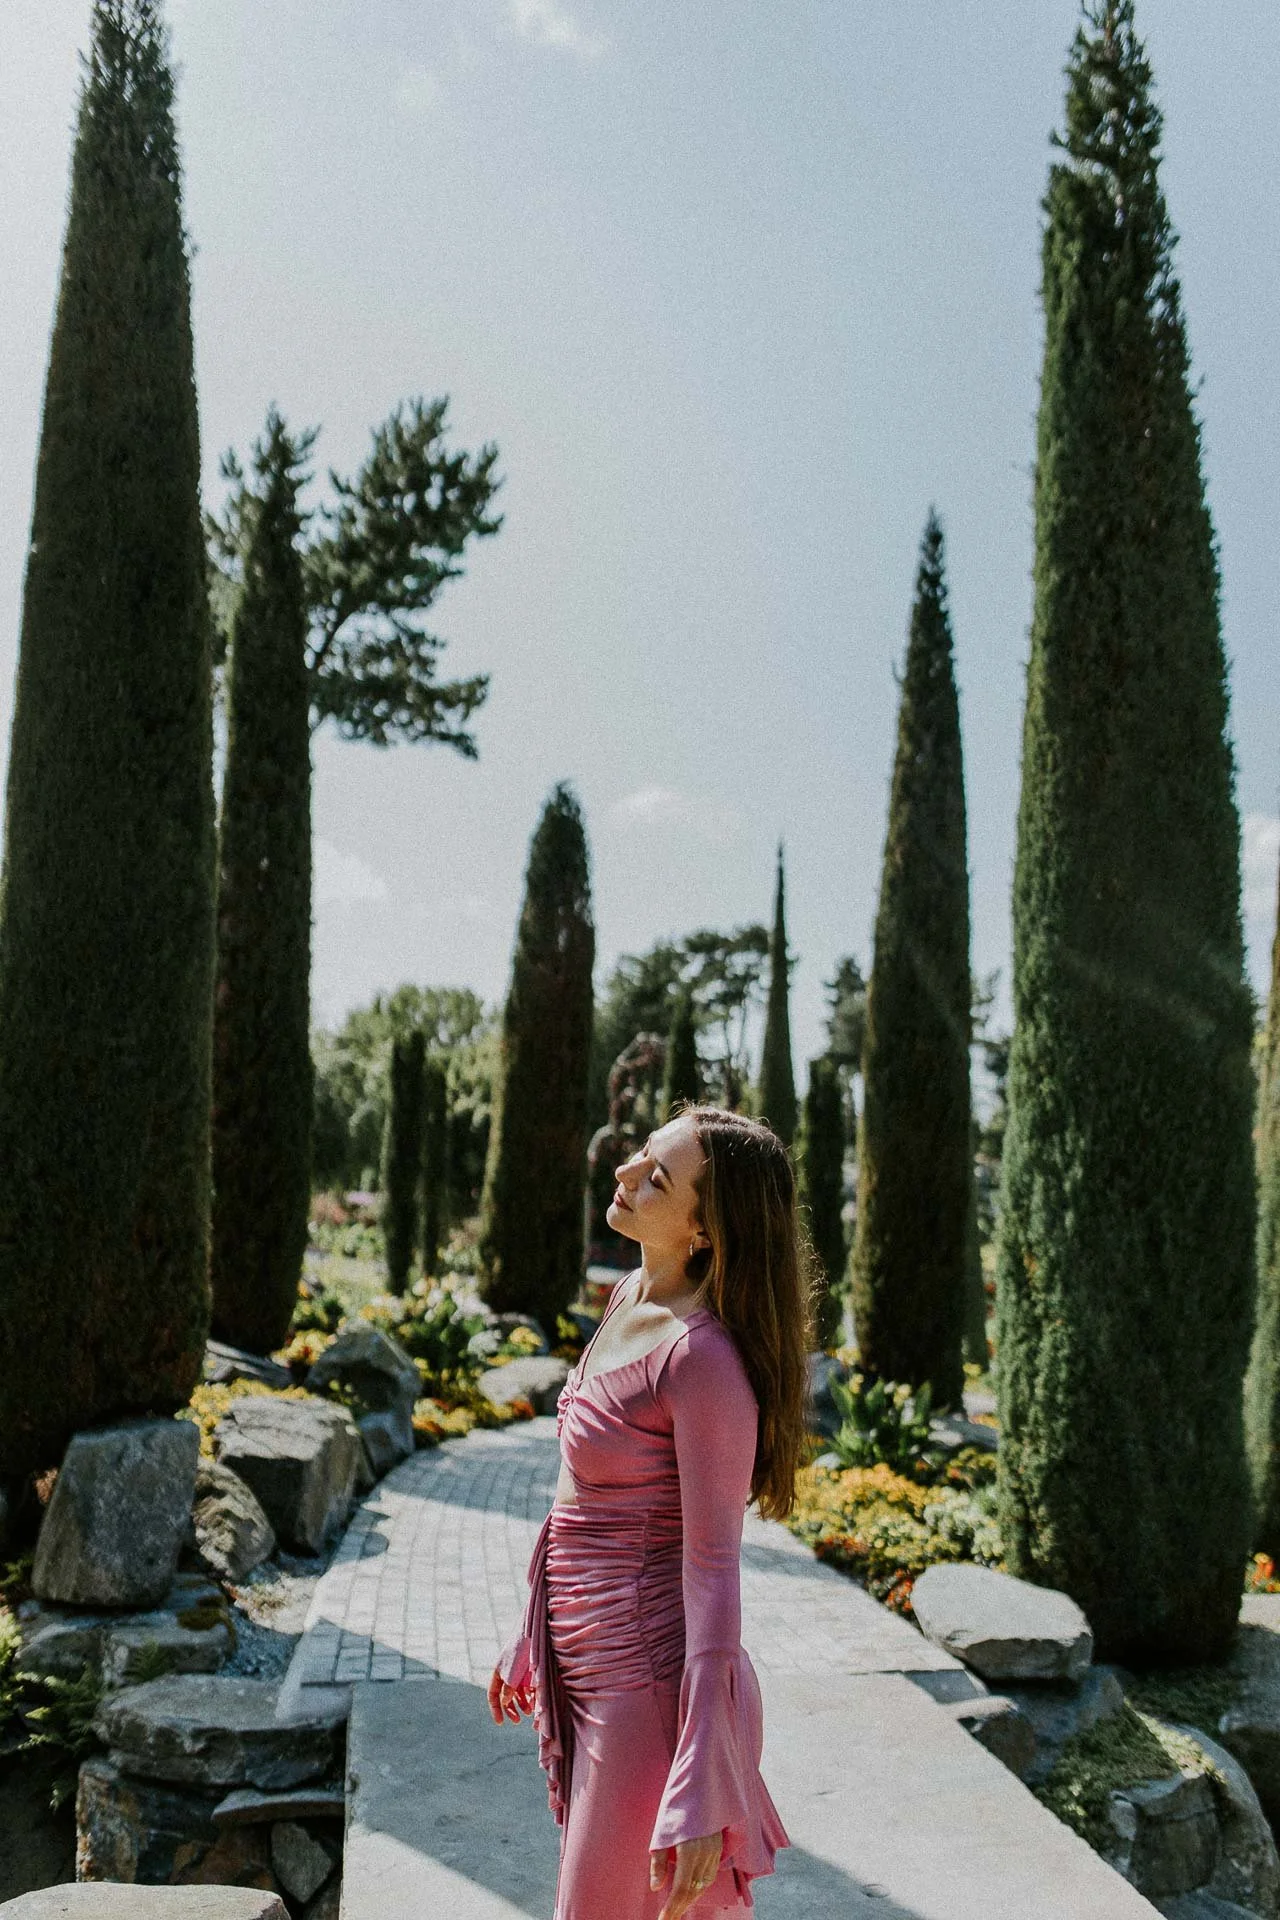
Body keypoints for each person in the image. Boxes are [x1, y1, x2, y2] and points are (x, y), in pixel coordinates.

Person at [487, 1104, 810, 1919]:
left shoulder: (702, 1361)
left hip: (650, 1699)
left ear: (704, 1229)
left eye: (657, 1177)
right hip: (589, 1670)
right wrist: (536, 1636)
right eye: (639, 1155)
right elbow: (586, 1504)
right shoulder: (631, 1293)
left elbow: (711, 1573)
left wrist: (702, 1783)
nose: (626, 1172)